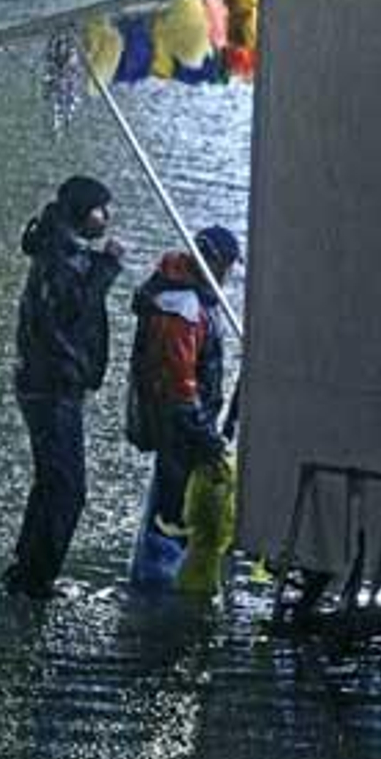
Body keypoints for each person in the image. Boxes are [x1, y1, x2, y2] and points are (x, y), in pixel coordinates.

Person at [4, 175, 125, 599]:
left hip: (49, 384)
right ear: (80, 210)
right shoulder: (62, 256)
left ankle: (27, 569)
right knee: (69, 489)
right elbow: (72, 312)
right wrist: (106, 268)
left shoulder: (63, 250)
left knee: (51, 482)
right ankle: (37, 579)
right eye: (99, 209)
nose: (106, 217)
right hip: (51, 387)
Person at [127, 224, 241, 591]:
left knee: (171, 500)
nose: (228, 275)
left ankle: (160, 578)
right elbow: (179, 385)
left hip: (186, 423)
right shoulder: (182, 309)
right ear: (214, 261)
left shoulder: (192, 297)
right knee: (172, 510)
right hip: (180, 426)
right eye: (226, 265)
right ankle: (156, 590)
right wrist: (205, 435)